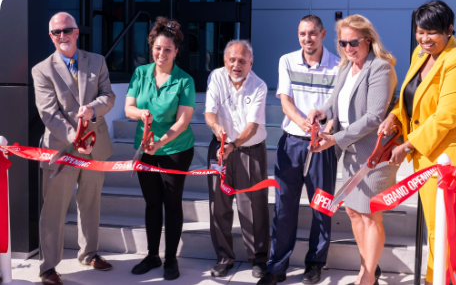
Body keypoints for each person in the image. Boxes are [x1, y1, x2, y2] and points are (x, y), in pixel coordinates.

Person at [378, 0, 456, 285]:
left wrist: (407, 144)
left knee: (440, 228)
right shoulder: (422, 54)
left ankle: (437, 281)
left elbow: (447, 116)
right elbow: (412, 98)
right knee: (435, 226)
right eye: (420, 31)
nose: (425, 39)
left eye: (433, 33)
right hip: (426, 151)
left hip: (449, 157)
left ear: (450, 30)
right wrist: (393, 117)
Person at [307, 14, 398, 285]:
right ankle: (366, 267)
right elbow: (336, 106)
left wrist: (336, 139)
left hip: (373, 154)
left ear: (368, 40)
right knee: (353, 212)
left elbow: (373, 117)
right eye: (343, 43)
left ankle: (367, 276)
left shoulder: (381, 68)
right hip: (349, 154)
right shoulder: (346, 68)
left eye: (353, 42)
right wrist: (323, 116)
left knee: (370, 215)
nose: (348, 48)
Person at [33, 12, 116, 285]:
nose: (62, 36)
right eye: (56, 32)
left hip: (95, 147)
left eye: (67, 30)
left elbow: (109, 96)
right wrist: (76, 138)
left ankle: (89, 253)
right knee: (54, 210)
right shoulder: (42, 70)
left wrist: (93, 109)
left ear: (77, 32)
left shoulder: (98, 61)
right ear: (50, 37)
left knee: (91, 204)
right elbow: (48, 113)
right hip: (61, 148)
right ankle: (48, 267)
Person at [258, 15, 338, 285]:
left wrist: (325, 130)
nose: (307, 39)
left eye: (313, 33)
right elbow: (286, 101)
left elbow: (336, 108)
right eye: (302, 34)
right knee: (284, 206)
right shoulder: (287, 60)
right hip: (291, 142)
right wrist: (302, 122)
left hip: (322, 146)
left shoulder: (340, 65)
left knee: (321, 207)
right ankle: (276, 267)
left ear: (323, 34)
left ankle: (315, 263)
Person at [124, 17, 195, 280]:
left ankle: (171, 260)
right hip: (145, 149)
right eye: (157, 48)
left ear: (176, 51)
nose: (161, 54)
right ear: (151, 47)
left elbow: (183, 121)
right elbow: (128, 107)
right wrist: (141, 113)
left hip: (175, 149)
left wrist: (161, 142)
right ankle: (153, 255)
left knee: (172, 204)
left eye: (167, 49)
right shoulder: (140, 73)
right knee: (152, 203)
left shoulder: (184, 80)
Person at [205, 39, 270, 279]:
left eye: (242, 61)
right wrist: (215, 126)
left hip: (249, 151)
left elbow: (252, 127)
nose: (236, 65)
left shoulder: (259, 86)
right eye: (232, 60)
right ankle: (224, 257)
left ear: (251, 62)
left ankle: (258, 258)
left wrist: (233, 144)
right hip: (220, 148)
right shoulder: (216, 77)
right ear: (225, 61)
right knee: (218, 206)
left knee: (253, 206)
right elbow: (210, 112)